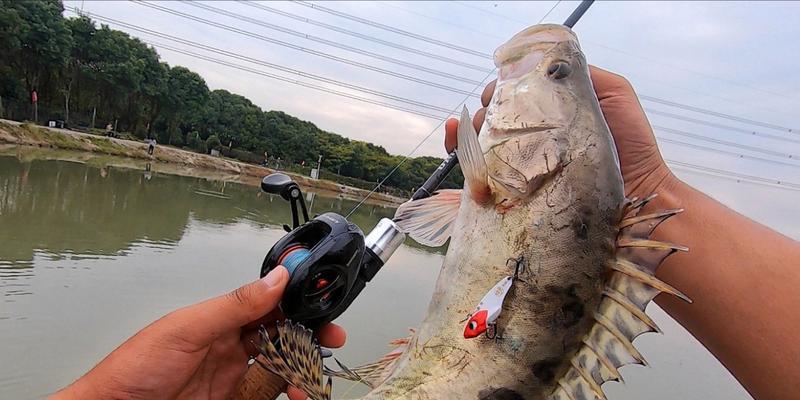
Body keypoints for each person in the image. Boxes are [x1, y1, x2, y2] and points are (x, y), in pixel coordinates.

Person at [50, 67, 799, 400]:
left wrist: (646, 190)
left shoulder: (505, 180)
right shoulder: (521, 183)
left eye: (558, 81)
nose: (550, 72)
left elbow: (450, 205)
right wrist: (652, 193)